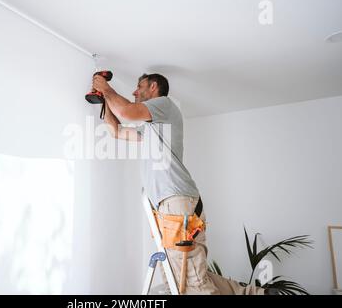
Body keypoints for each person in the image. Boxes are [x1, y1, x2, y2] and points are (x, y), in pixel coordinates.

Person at [92, 73, 267, 295]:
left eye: (139, 86)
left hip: (175, 202)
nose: (134, 92)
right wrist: (104, 99)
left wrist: (106, 88)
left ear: (153, 87)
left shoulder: (164, 105)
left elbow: (126, 111)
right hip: (173, 205)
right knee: (189, 274)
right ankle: (255, 293)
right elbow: (116, 131)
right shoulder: (151, 128)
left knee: (190, 281)